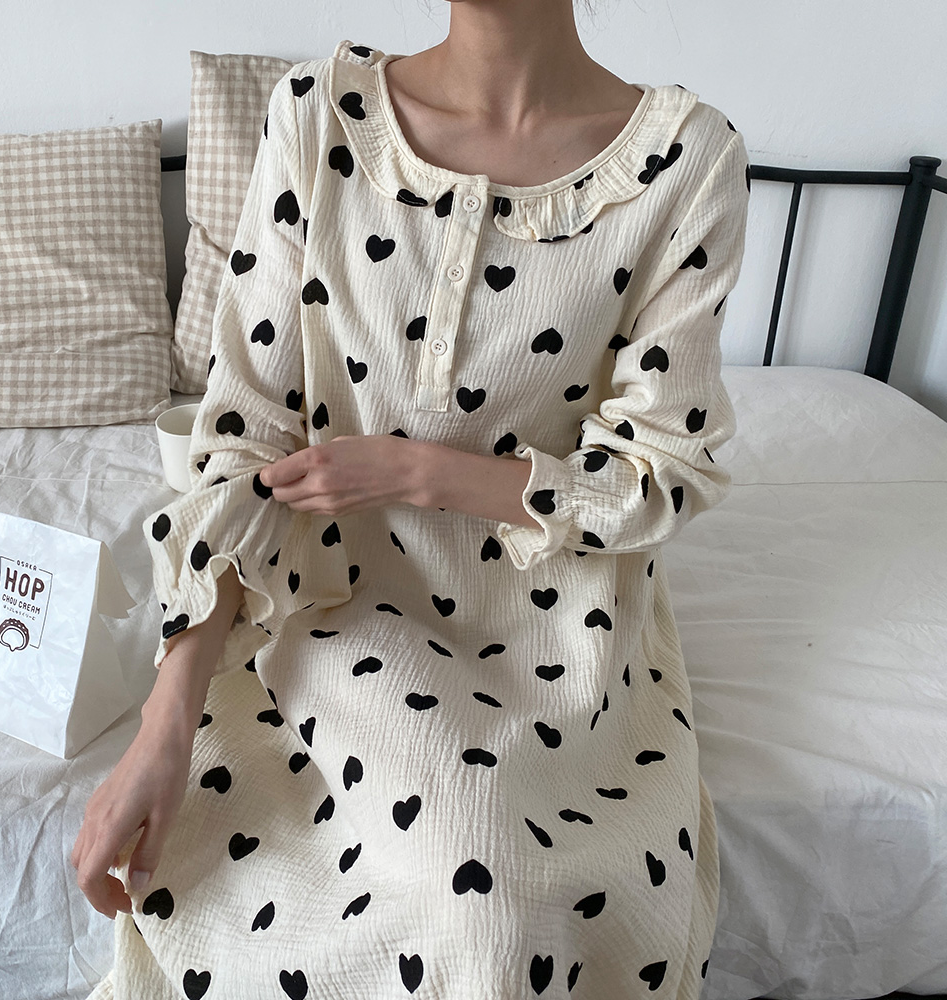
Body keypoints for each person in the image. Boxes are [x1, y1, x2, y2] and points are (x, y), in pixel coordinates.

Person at [73, 3, 750, 997]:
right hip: (333, 590)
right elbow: (246, 439)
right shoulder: (318, 115)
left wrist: (413, 471)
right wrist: (166, 721)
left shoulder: (685, 160)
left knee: (497, 904)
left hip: (556, 617)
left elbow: (660, 469)